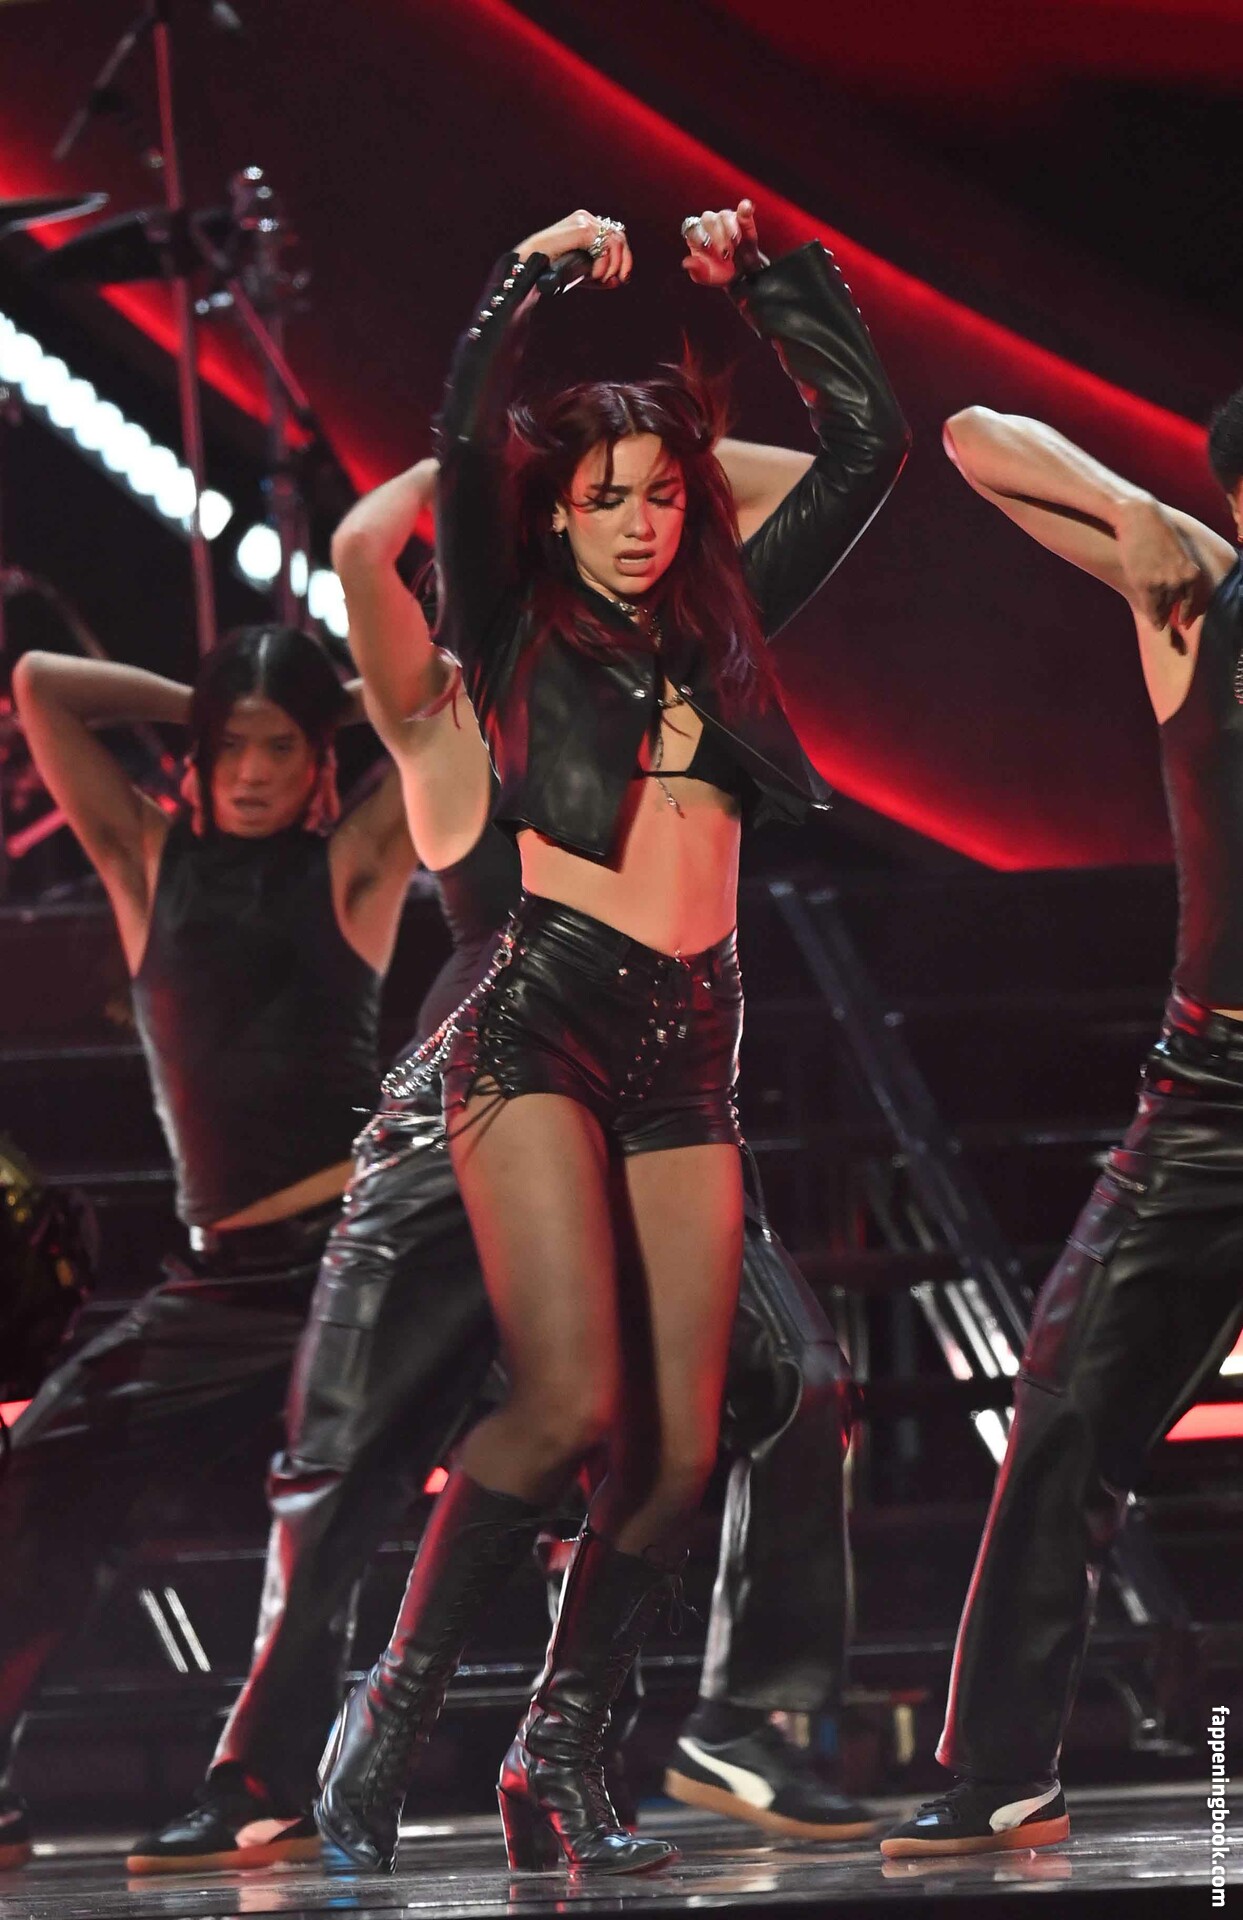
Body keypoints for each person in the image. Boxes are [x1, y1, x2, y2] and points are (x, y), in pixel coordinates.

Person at [127, 446, 883, 1874]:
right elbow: (365, 546)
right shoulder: (441, 712)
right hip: (467, 1104)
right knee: (347, 1459)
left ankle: (670, 1732)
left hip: (644, 1095)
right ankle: (270, 1772)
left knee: (780, 1382)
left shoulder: (648, 678)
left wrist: (621, 462)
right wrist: (494, 461)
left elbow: (802, 479)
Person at [314, 200, 909, 1877]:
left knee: (686, 1441)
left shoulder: (725, 620)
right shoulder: (508, 622)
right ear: (553, 512)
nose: (639, 525)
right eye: (604, 498)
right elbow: (457, 448)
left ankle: (556, 1758)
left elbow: (866, 445)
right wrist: (526, 277)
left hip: (693, 1043)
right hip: (543, 1018)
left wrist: (770, 281)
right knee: (571, 1398)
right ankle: (386, 1714)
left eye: (661, 494)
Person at [882, 401, 1243, 1858]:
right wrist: (1129, 509)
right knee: (1066, 1401)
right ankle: (1000, 1773)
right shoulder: (1195, 594)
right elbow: (973, 438)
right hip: (1212, 1095)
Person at [0, 628, 415, 1873]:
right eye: (227, 746)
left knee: (336, 1510)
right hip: (217, 1282)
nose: (249, 770)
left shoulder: (352, 864)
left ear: (317, 759)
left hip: (351, 1265)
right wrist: (213, 697)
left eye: (278, 746)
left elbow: (449, 705)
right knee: (39, 1463)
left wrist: (330, 703)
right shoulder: (146, 860)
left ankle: (266, 1790)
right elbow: (40, 686)